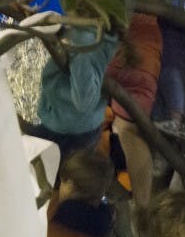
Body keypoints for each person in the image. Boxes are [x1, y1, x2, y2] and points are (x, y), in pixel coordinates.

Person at [46, 0, 162, 208]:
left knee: (80, 112)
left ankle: (76, 192)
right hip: (145, 59)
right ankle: (143, 208)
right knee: (130, 130)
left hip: (103, 50)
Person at [27, 21, 120, 161]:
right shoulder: (110, 36)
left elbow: (84, 100)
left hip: (65, 126)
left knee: (45, 172)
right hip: (88, 124)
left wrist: (75, 43)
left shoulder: (85, 41)